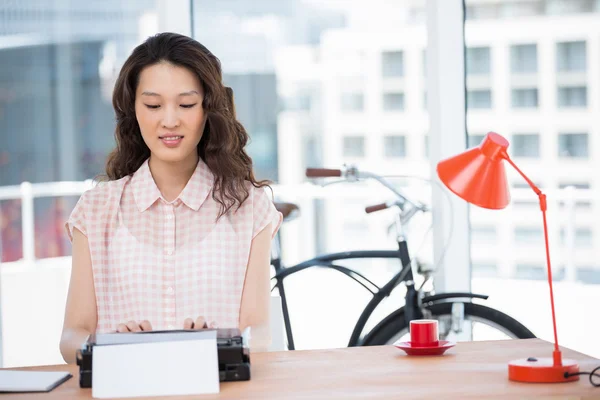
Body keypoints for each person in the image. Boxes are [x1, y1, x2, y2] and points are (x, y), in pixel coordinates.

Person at [59, 32, 282, 364]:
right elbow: (71, 337)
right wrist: (111, 348)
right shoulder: (96, 210)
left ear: (208, 109)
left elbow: (260, 333)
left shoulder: (249, 206)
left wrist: (215, 345)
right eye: (152, 105)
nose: (169, 120)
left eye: (187, 104)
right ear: (133, 109)